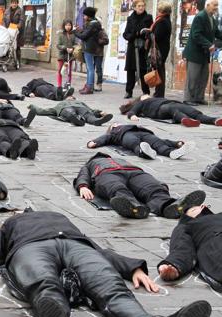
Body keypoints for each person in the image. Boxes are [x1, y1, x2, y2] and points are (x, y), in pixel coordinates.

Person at [0, 210, 212, 317]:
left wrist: (132, 269)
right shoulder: (11, 225)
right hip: (30, 247)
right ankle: (55, 313)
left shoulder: (60, 217)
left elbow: (97, 248)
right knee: (43, 282)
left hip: (74, 244)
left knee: (109, 284)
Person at [74, 152, 206, 219]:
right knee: (116, 188)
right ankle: (133, 207)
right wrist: (83, 186)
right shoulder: (91, 163)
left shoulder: (120, 159)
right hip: (106, 174)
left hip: (134, 172)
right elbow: (83, 175)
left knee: (153, 188)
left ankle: (168, 206)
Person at [158, 204, 222, 293]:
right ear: (187, 216)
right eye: (194, 209)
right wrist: (176, 264)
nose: (202, 207)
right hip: (216, 244)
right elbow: (182, 245)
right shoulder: (187, 226)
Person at [183, 0, 222, 105]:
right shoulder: (200, 17)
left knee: (203, 76)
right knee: (193, 77)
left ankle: (198, 98)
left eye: (217, 5)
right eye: (215, 5)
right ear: (208, 5)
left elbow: (217, 33)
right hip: (194, 53)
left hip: (204, 54)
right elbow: (196, 35)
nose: (216, 7)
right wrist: (209, 44)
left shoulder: (212, 19)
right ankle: (188, 99)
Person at [87, 123, 195, 160]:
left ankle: (171, 152)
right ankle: (144, 152)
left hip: (144, 133)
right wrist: (94, 142)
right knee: (134, 144)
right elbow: (104, 138)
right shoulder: (113, 132)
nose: (116, 124)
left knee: (157, 142)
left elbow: (162, 140)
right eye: (114, 124)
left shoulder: (132, 126)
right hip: (125, 136)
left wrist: (176, 143)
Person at [119, 94, 222, 127]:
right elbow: (132, 112)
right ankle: (185, 120)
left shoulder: (156, 98)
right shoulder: (142, 102)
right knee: (172, 109)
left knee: (194, 112)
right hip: (160, 110)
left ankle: (214, 120)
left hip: (173, 104)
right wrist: (132, 116)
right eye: (145, 94)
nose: (147, 94)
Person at [122, 0, 153, 99]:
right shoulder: (130, 18)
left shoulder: (148, 18)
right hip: (132, 47)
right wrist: (133, 35)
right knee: (131, 70)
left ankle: (145, 91)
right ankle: (128, 91)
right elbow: (125, 34)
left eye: (143, 6)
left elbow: (151, 32)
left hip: (143, 47)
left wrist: (143, 34)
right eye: (139, 6)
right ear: (134, 7)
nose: (141, 7)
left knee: (143, 69)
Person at [74, 6, 102, 95]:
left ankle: (89, 87)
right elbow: (87, 33)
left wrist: (75, 31)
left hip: (89, 48)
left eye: (85, 15)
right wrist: (80, 30)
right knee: (89, 68)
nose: (83, 17)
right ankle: (88, 85)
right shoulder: (94, 23)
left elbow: (84, 36)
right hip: (90, 47)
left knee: (90, 68)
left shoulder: (92, 24)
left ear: (89, 16)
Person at [146, 1, 172, 98]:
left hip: (160, 49)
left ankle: (159, 94)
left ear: (161, 10)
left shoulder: (162, 21)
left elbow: (157, 36)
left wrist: (148, 33)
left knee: (159, 71)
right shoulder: (165, 20)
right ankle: (159, 93)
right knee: (159, 70)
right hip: (162, 48)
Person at [27, 101, 113, 126]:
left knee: (88, 114)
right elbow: (42, 111)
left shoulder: (80, 102)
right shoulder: (60, 104)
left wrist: (100, 112)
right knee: (70, 113)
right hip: (66, 109)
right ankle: (76, 119)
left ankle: (97, 121)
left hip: (81, 108)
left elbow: (91, 110)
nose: (71, 97)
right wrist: (32, 106)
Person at [56, 19, 77, 89]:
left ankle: (68, 84)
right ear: (64, 26)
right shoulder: (61, 34)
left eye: (69, 25)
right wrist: (65, 48)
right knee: (60, 71)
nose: (68, 27)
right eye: (66, 25)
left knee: (69, 72)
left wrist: (72, 48)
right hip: (62, 55)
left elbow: (75, 44)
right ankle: (59, 85)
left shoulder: (73, 35)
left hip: (70, 56)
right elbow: (58, 45)